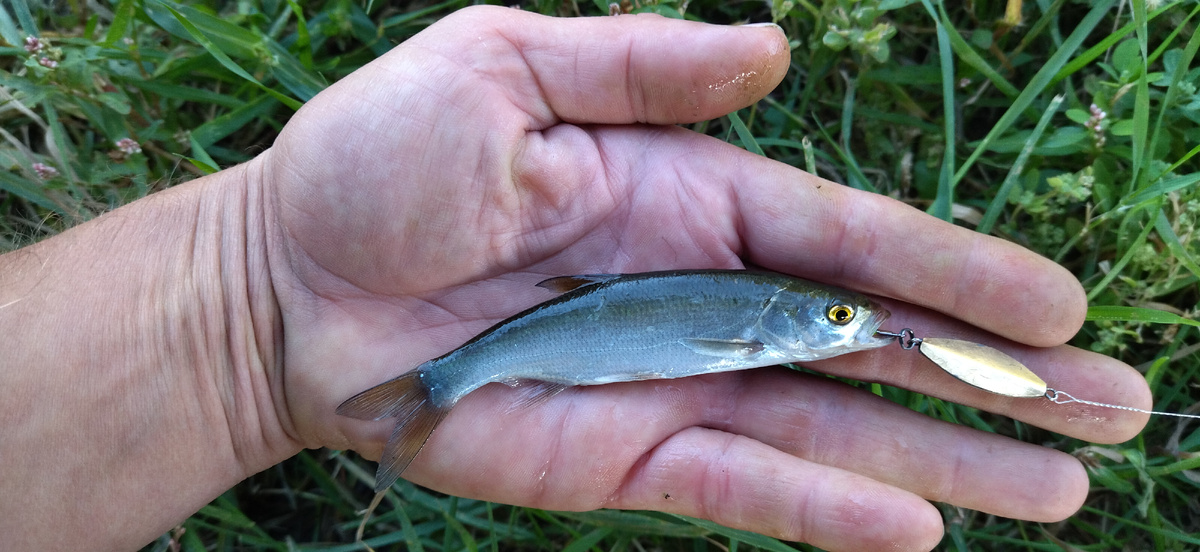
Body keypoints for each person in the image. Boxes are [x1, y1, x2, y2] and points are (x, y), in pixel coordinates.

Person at [0, 6, 1149, 552]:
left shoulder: (767, 324)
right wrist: (258, 288)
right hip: (527, 345)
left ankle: (440, 386)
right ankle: (441, 386)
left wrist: (247, 305)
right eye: (840, 317)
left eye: (844, 321)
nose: (851, 328)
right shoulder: (758, 327)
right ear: (793, 318)